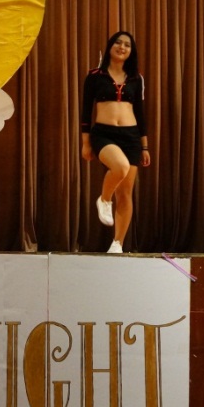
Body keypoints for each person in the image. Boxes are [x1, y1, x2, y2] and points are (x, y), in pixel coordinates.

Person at [80, 30, 150, 254]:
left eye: (127, 45)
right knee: (120, 167)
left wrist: (144, 145)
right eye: (118, 43)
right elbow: (85, 111)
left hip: (131, 136)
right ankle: (104, 199)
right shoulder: (94, 76)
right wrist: (86, 142)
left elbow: (140, 113)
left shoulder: (136, 78)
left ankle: (117, 243)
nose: (122, 47)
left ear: (131, 51)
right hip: (104, 134)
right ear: (110, 46)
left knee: (126, 193)